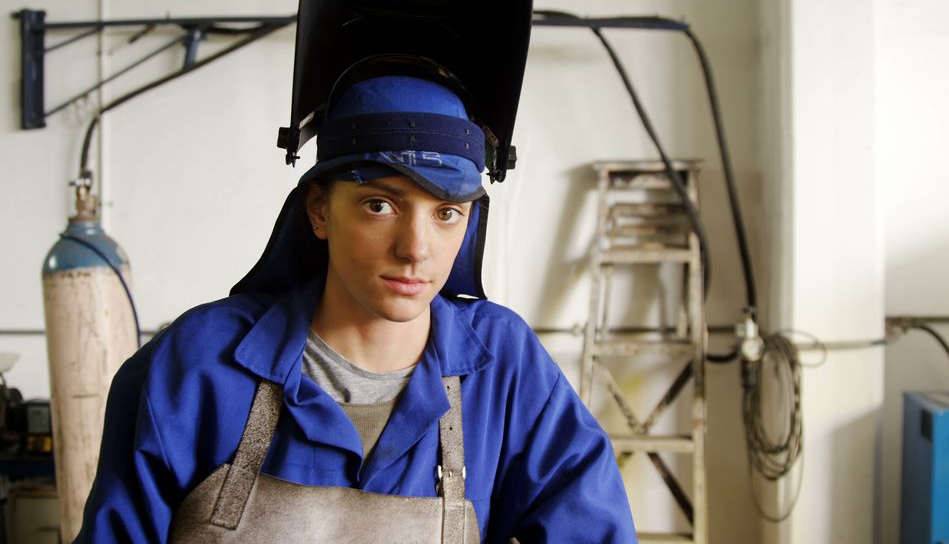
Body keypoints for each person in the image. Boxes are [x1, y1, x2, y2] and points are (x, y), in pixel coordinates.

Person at [74, 62, 636, 541]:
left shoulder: (504, 366)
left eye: (446, 213)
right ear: (318, 210)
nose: (416, 249)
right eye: (379, 205)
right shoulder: (195, 364)